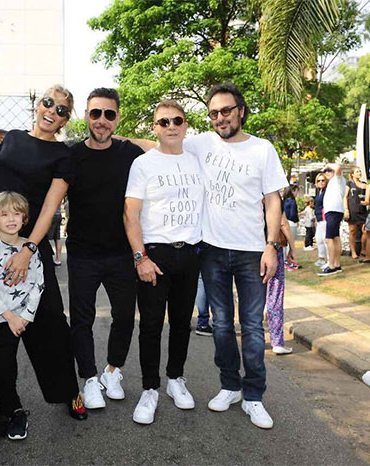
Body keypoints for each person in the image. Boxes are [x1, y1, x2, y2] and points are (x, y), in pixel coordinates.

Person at [0, 84, 87, 422]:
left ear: (64, 120)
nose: (53, 111)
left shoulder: (63, 155)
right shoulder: (13, 137)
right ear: (38, 105)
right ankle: (3, 395)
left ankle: (67, 390)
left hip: (28, 240)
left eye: (62, 110)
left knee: (48, 319)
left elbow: (50, 206)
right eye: (49, 103)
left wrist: (30, 248)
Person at [183, 83, 286, 429]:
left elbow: (273, 201)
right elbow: (160, 142)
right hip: (212, 251)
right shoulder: (201, 143)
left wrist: (272, 246)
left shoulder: (263, 149)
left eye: (226, 111)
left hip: (252, 252)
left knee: (253, 328)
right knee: (222, 325)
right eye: (213, 113)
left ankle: (254, 396)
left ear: (240, 111)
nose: (220, 118)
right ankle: (229, 385)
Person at [124, 100, 204, 425]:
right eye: (163, 121)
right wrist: (140, 257)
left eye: (177, 120)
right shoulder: (144, 164)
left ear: (185, 125)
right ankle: (149, 388)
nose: (171, 125)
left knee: (183, 322)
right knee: (152, 325)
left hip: (192, 253)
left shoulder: (198, 161)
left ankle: (175, 379)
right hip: (156, 254)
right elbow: (130, 214)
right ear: (154, 127)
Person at [66, 88, 144, 410]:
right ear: (85, 115)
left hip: (120, 254)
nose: (101, 120)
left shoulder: (130, 153)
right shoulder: (71, 155)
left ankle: (113, 370)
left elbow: (162, 148)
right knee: (81, 320)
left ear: (117, 118)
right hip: (82, 254)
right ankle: (88, 378)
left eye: (109, 114)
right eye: (95, 113)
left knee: (125, 316)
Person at [0, 192, 44, 444]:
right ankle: (15, 411)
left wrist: (23, 317)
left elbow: (38, 285)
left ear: (24, 218)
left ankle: (3, 419)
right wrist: (8, 315)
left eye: (16, 213)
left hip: (15, 321)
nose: (11, 219)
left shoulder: (30, 250)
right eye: (4, 214)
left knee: (6, 365)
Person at [266, 213, 296, 355]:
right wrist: (293, 247)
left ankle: (255, 339)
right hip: (272, 248)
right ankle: (277, 341)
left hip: (250, 247)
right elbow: (282, 222)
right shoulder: (273, 193)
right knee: (275, 295)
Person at [318, 163, 345, 276]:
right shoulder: (333, 182)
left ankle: (332, 265)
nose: (327, 173)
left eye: (329, 171)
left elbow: (338, 167)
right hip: (333, 211)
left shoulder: (337, 179)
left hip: (334, 211)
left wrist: (327, 165)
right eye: (326, 171)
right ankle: (337, 264)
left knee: (329, 239)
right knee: (335, 238)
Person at [343, 167, 368, 260]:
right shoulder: (349, 184)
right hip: (352, 209)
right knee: (352, 231)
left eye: (360, 171)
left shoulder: (365, 185)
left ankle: (363, 250)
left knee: (365, 230)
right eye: (357, 172)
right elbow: (345, 197)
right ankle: (353, 252)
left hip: (363, 210)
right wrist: (346, 209)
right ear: (352, 174)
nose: (359, 173)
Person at [313, 174, 329, 268]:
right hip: (319, 218)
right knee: (319, 239)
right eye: (319, 181)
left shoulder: (326, 192)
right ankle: (321, 258)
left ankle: (327, 259)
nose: (321, 182)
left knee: (325, 239)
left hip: (324, 218)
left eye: (323, 180)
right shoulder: (319, 192)